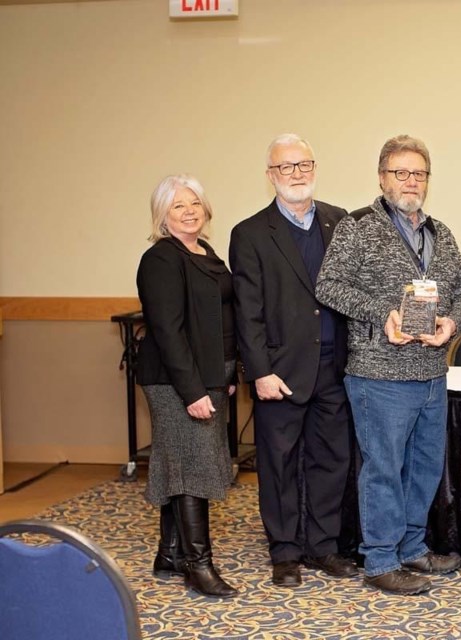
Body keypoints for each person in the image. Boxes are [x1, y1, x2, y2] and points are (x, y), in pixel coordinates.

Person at [315, 134, 461, 595]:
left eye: (419, 173)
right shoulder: (357, 227)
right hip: (378, 374)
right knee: (383, 468)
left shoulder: (439, 232)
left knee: (424, 466)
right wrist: (383, 310)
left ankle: (410, 548)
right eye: (401, 172)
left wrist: (451, 323)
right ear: (382, 177)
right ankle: (381, 561)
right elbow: (329, 286)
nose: (411, 181)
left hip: (431, 373)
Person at [230, 134, 355, 587]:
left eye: (304, 165)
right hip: (279, 371)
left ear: (315, 168)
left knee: (330, 459)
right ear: (271, 176)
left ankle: (322, 546)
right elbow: (247, 311)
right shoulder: (249, 234)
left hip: (335, 367)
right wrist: (259, 370)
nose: (297, 174)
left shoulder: (338, 221)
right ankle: (284, 551)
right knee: (278, 464)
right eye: (286, 167)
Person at [136, 174, 239, 598]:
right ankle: (199, 566)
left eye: (194, 202)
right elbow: (168, 331)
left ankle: (169, 553)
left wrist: (225, 376)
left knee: (183, 464)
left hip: (209, 377)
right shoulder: (161, 259)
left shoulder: (206, 254)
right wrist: (194, 391)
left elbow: (221, 321)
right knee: (192, 468)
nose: (190, 210)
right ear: (163, 215)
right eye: (178, 205)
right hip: (176, 381)